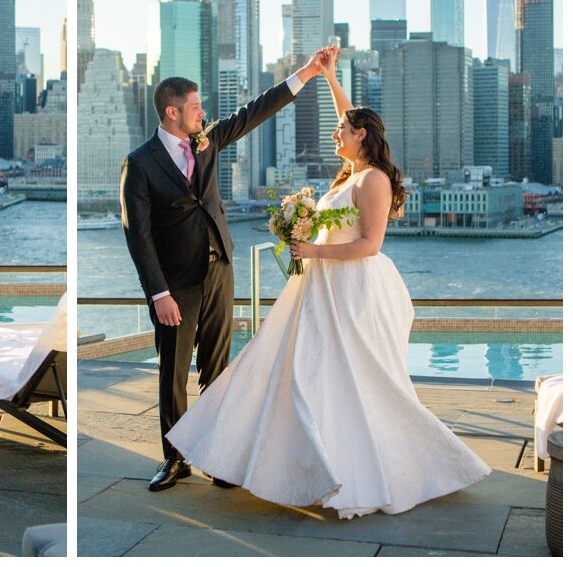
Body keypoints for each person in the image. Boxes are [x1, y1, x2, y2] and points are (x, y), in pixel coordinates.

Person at [165, 47, 492, 518]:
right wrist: (328, 76)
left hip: (351, 291)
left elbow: (370, 246)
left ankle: (360, 465)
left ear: (360, 137)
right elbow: (348, 115)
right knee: (302, 376)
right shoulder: (352, 171)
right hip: (319, 289)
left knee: (353, 381)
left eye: (343, 128)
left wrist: (312, 249)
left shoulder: (373, 180)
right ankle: (300, 463)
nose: (335, 130)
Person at [119, 46, 328, 492]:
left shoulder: (208, 139)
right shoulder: (139, 164)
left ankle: (219, 456)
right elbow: (138, 235)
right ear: (172, 112)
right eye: (195, 107)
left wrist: (307, 73)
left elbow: (255, 112)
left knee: (218, 370)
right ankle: (175, 460)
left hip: (219, 271)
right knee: (172, 374)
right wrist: (159, 294)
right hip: (175, 285)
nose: (203, 113)